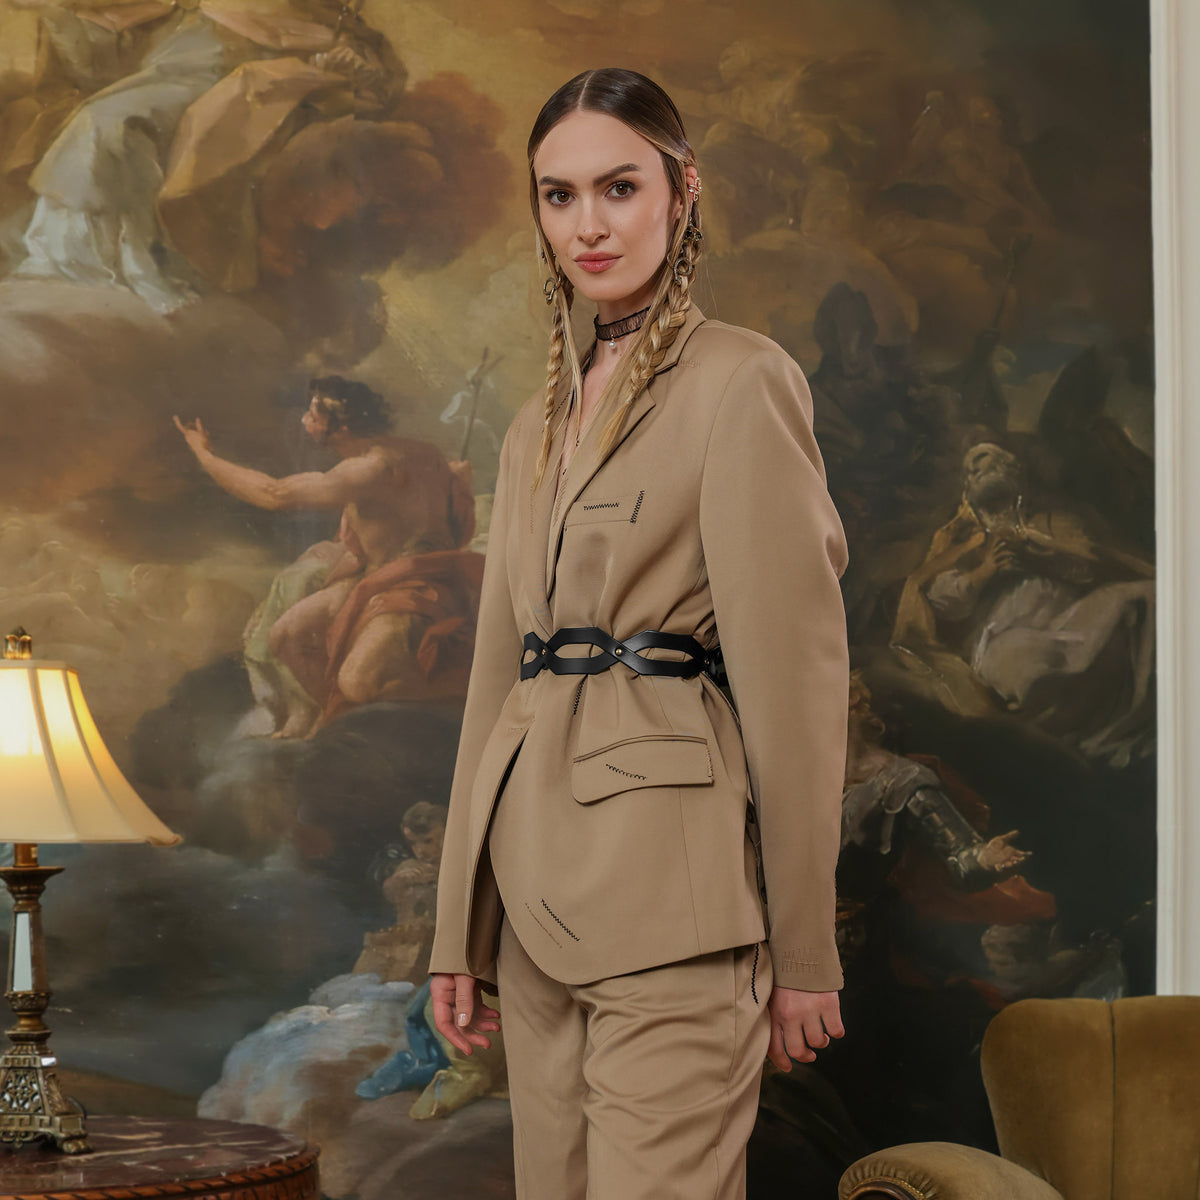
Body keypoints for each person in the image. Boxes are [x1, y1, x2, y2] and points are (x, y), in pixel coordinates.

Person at [428, 68, 851, 1200]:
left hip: (677, 910)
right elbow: (497, 684)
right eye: (559, 195)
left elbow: (796, 683)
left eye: (619, 187)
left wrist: (805, 952)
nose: (590, 225)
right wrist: (457, 929)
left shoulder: (742, 381)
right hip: (534, 905)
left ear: (682, 188)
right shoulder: (533, 425)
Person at [174, 376, 481, 736]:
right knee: (287, 636)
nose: (305, 419)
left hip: (416, 582)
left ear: (342, 427)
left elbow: (274, 494)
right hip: (376, 576)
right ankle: (331, 719)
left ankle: (468, 691)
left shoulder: (370, 468)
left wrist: (204, 455)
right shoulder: (415, 451)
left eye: (313, 414)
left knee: (357, 683)